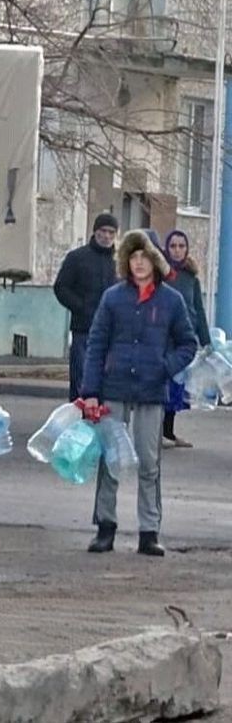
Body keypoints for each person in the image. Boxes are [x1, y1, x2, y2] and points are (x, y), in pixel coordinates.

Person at [81, 230, 197, 557]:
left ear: (155, 260)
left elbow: (189, 343)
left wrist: (165, 365)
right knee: (112, 460)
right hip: (113, 388)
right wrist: (90, 391)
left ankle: (149, 531)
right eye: (133, 257)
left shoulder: (171, 300)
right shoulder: (113, 297)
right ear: (126, 261)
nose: (139, 263)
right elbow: (96, 344)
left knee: (149, 462)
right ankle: (105, 527)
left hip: (151, 391)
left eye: (144, 256)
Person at [53, 213, 119, 402]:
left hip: (112, 333)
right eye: (103, 231)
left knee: (108, 382)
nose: (107, 236)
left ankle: (103, 423)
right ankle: (78, 423)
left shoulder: (120, 262)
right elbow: (61, 287)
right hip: (84, 329)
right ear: (95, 231)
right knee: (81, 380)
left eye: (111, 232)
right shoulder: (77, 258)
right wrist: (81, 307)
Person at [161, 229, 211, 448]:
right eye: (173, 246)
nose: (178, 250)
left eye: (182, 246)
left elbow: (197, 309)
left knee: (177, 387)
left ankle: (168, 433)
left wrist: (206, 340)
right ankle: (158, 432)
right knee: (164, 385)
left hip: (185, 338)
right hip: (164, 338)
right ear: (166, 248)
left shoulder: (191, 277)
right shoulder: (160, 273)